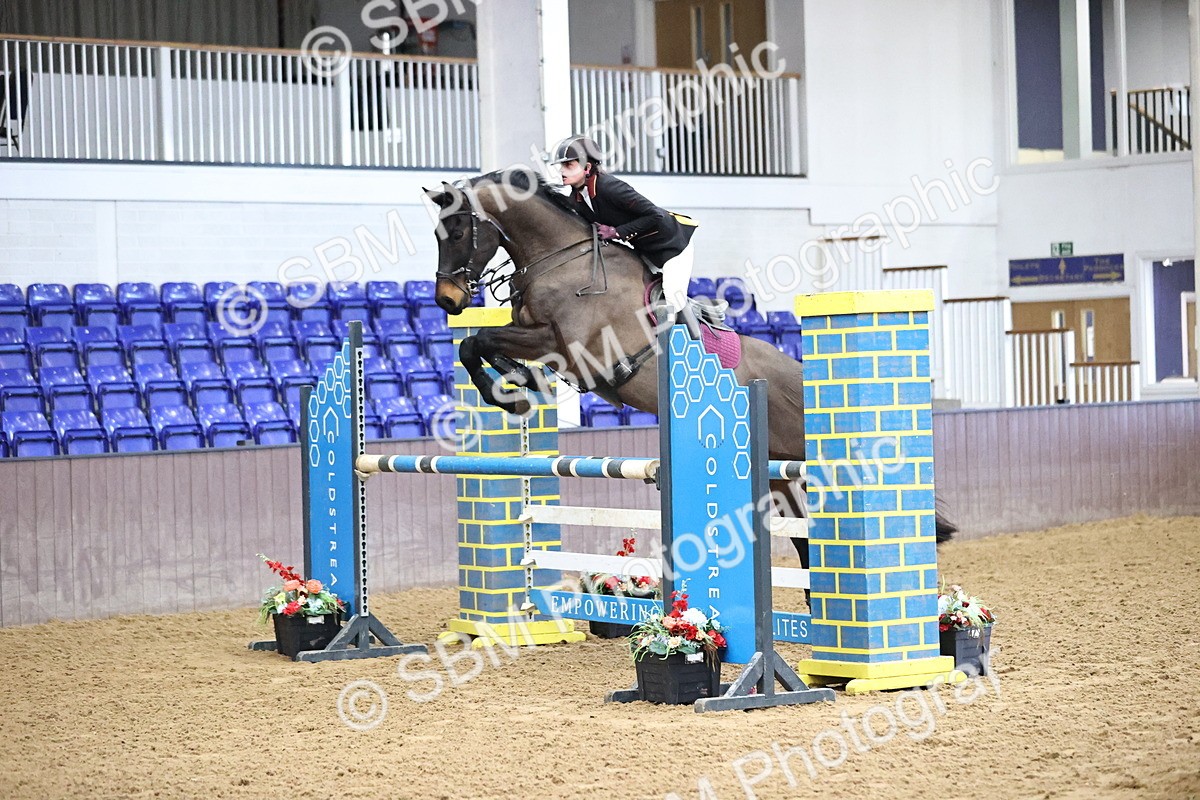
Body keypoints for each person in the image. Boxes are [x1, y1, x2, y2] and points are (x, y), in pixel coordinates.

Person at [549, 135, 698, 315]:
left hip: (673, 245)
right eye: (562, 166)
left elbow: (655, 215)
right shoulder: (576, 198)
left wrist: (616, 232)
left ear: (587, 168)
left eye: (568, 165)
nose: (562, 171)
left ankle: (690, 333)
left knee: (672, 303)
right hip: (646, 251)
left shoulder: (610, 187)